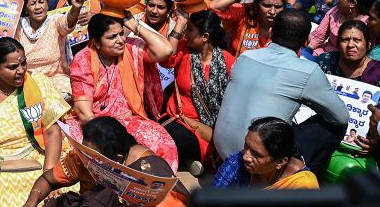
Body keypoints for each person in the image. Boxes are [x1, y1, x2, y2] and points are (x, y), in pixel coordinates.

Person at [213, 10, 349, 171]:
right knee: (337, 125)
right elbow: (341, 116)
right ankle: (301, 176)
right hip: (257, 158)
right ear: (307, 41)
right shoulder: (308, 70)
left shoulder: (245, 57)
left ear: (271, 32)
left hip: (223, 149)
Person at [0, 38, 71, 206]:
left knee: (64, 189)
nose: (21, 71)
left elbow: (53, 130)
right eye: (12, 67)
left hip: (38, 155)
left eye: (23, 63)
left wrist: (49, 176)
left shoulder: (39, 82)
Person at [67, 13, 178, 170]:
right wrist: (110, 138)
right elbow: (84, 113)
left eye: (121, 33)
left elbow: (166, 50)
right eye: (112, 37)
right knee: (86, 152)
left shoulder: (130, 49)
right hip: (95, 124)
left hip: (127, 119)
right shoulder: (83, 59)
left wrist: (133, 25)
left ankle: (154, 188)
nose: (120, 40)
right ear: (97, 43)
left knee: (163, 143)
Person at [23, 117, 189, 207]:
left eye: (94, 156)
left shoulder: (149, 168)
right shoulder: (85, 158)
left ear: (116, 159)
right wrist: (31, 202)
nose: (87, 157)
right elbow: (47, 179)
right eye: (85, 150)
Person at [160, 11, 234, 173]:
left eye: (190, 29)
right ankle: (191, 158)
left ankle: (191, 158)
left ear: (205, 36)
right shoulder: (183, 51)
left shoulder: (228, 60)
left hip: (210, 130)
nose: (185, 33)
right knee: (171, 136)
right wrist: (179, 24)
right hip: (179, 121)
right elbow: (165, 58)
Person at [316, 20, 380, 154]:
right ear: (337, 44)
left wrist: (374, 143)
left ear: (368, 44)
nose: (350, 45)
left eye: (357, 40)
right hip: (320, 134)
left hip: (355, 146)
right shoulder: (325, 62)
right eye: (345, 40)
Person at [214, 117, 319, 189]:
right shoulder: (237, 163)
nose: (246, 156)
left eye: (256, 154)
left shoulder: (303, 185)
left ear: (281, 162)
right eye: (246, 146)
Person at [17, 0, 84, 96]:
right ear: (26, 9)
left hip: (55, 78)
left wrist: (76, 7)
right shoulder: (18, 25)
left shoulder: (55, 20)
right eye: (33, 4)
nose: (38, 7)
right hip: (27, 78)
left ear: (47, 5)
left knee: (65, 93)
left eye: (41, 2)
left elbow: (68, 23)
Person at [208, 0, 285, 58]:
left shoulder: (288, 23)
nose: (272, 11)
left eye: (278, 7)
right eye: (267, 5)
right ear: (256, 5)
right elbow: (213, 6)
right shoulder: (245, 12)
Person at [307, 0, 373, 56]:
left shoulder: (366, 24)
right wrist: (308, 49)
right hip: (324, 51)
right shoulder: (335, 11)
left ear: (353, 3)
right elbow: (318, 36)